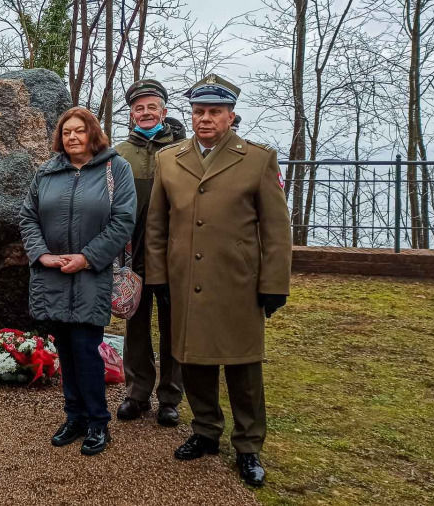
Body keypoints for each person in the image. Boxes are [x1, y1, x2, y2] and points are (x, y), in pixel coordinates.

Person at [144, 74, 292, 487]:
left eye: (213, 112)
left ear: (230, 116)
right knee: (193, 361)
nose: (204, 119)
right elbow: (157, 224)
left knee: (244, 368)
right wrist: (157, 275)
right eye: (198, 112)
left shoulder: (258, 158)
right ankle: (206, 431)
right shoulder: (169, 158)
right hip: (184, 279)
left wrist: (275, 283)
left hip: (237, 282)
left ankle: (248, 446)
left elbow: (277, 228)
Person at [19, 107, 136, 456]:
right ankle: (74, 416)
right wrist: (42, 254)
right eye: (66, 131)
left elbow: (123, 221)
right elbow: (28, 217)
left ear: (92, 134)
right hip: (52, 274)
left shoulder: (117, 169)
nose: (72, 137)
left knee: (87, 349)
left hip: (91, 275)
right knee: (66, 350)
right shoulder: (46, 172)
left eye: (79, 131)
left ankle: (98, 422)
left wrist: (87, 257)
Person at [113, 79, 186, 427]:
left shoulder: (182, 151)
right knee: (136, 325)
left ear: (164, 111)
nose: (145, 113)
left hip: (174, 254)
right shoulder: (120, 154)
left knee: (174, 327)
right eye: (139, 108)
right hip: (134, 254)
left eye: (151, 107)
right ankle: (137, 392)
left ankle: (170, 396)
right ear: (131, 114)